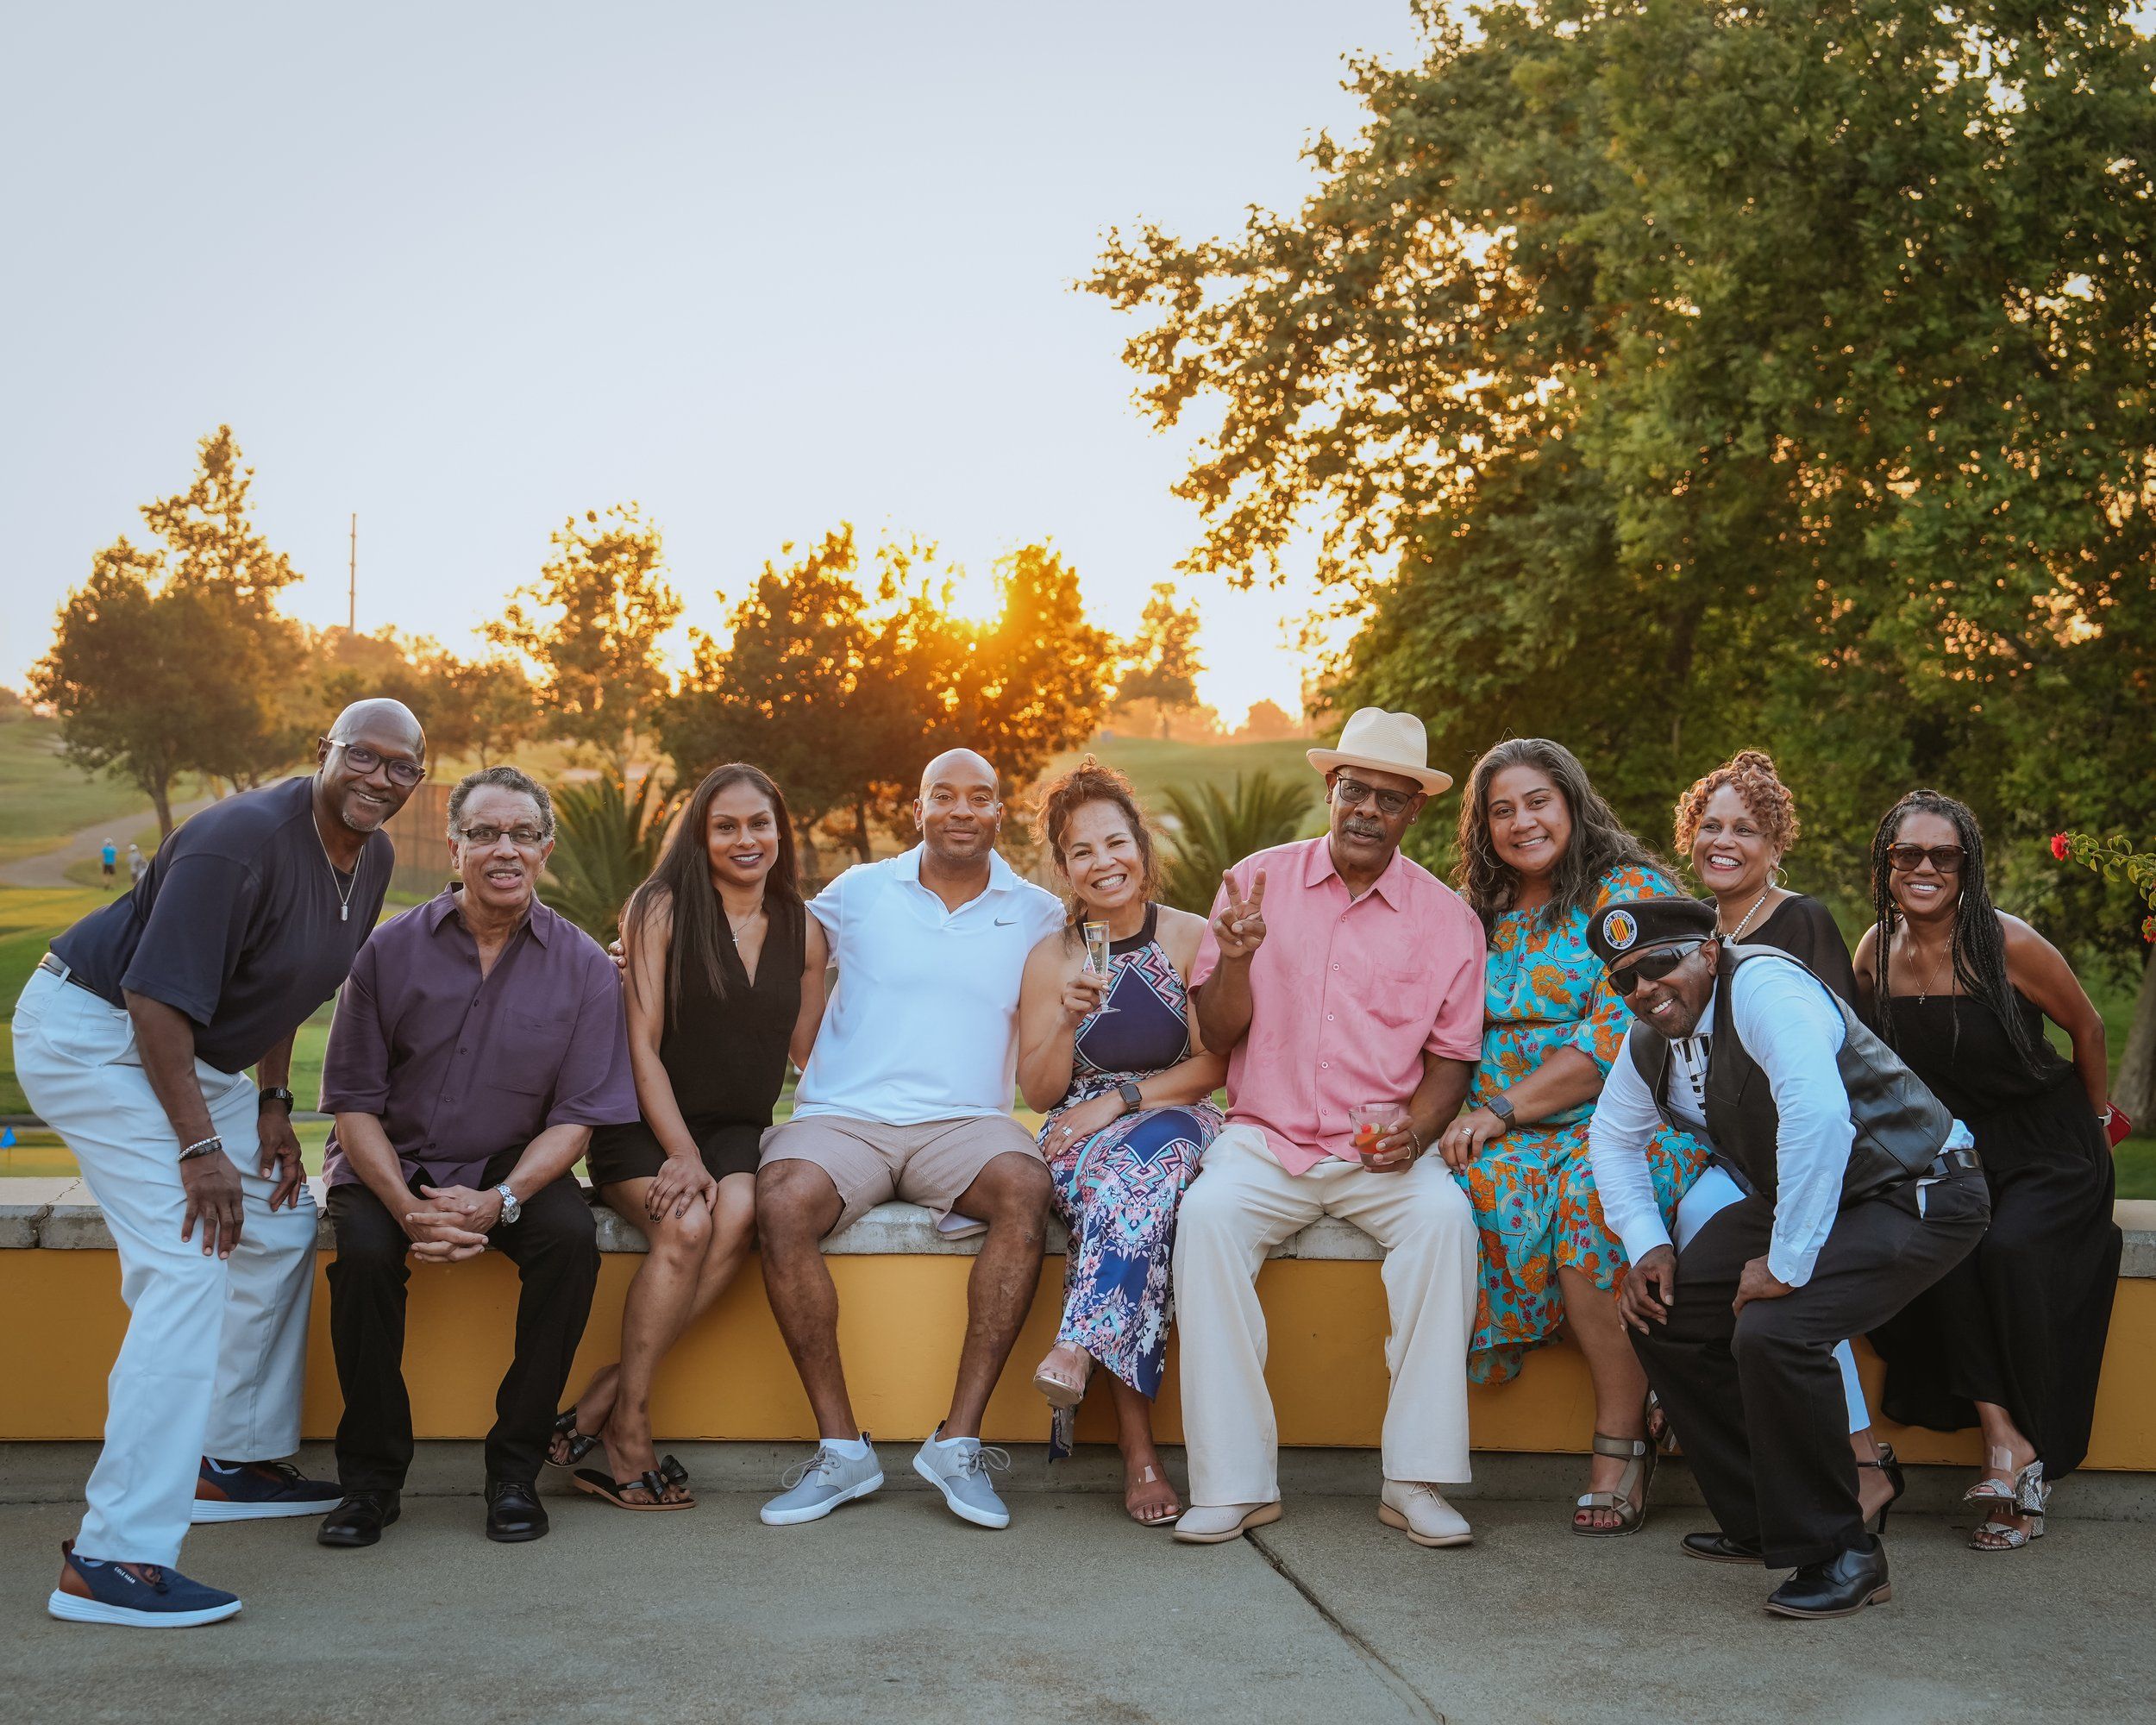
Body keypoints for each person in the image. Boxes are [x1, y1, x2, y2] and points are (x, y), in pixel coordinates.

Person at [17, 699, 423, 1628]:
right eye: (364, 756)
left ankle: (228, 1459)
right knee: (188, 1254)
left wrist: (272, 1105)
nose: (381, 779)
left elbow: (294, 980)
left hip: (187, 1050)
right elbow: (152, 997)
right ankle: (113, 1553)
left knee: (279, 1212)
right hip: (93, 1033)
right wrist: (203, 1148)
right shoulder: (236, 839)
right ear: (323, 751)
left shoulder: (373, 857)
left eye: (404, 768)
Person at [1587, 896, 1989, 1619]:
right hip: (1820, 1195)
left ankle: (1845, 1552)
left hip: (1915, 1187)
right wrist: (1647, 1243)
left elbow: (1818, 1114)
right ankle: (1770, 1522)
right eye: (1626, 980)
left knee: (1778, 1330)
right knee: (1662, 1315)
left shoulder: (1766, 987)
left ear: (1707, 952)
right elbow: (1613, 1140)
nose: (1645, 989)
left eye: (1659, 964)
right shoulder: (1648, 1039)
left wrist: (1784, 1262)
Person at [1172, 707, 1484, 1549]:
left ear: (1411, 809)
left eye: (1388, 797)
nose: (1367, 809)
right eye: (1355, 789)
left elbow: (1452, 1061)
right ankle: (1235, 1484)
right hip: (1264, 1137)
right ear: (1330, 789)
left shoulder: (1446, 918)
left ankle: (1413, 1479)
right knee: (1203, 1221)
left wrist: (1415, 1135)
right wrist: (1234, 958)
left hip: (1378, 1150)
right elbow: (1218, 1034)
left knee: (1444, 1222)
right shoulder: (1254, 881)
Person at [315, 766, 637, 1549]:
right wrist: (407, 1209)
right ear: (455, 847)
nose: (505, 851)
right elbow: (354, 1104)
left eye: (523, 836)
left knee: (568, 1243)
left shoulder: (586, 968)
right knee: (359, 1253)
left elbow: (577, 1121)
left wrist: (501, 1202)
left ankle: (514, 1472)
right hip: (392, 1164)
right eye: (486, 833)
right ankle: (369, 1483)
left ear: (545, 850)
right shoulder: (387, 952)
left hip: (512, 1169)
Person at [754, 749, 1067, 1531]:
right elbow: (772, 943)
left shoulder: (1035, 912)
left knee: (1027, 1191)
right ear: (917, 810)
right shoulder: (860, 891)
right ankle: (841, 1449)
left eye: (980, 798)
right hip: (844, 1116)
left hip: (966, 1122)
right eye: (944, 796)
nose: (962, 810)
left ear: (1000, 812)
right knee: (783, 1199)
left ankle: (957, 1442)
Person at [1433, 737, 1704, 1536]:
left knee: (1590, 1203)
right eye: (1502, 810)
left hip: (1626, 1124)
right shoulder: (1477, 914)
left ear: (1573, 803)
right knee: (1442, 1198)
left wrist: (1503, 1110)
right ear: (1483, 829)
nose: (1522, 822)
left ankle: (1619, 1448)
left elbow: (1618, 1034)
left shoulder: (1625, 896)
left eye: (1538, 801)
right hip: (1505, 1131)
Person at [550, 764, 828, 1509]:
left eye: (760, 824)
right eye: (727, 826)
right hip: (645, 1122)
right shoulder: (662, 906)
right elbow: (641, 1045)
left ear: (780, 833)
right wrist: (678, 1151)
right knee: (689, 1223)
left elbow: (813, 1053)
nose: (747, 839)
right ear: (701, 835)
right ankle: (629, 1430)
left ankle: (599, 1401)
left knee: (739, 1214)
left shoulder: (804, 928)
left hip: (738, 1128)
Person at [1855, 790, 2122, 1551]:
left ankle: (2024, 1457)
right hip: (1958, 1155)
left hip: (2047, 1147)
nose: (1925, 868)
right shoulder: (1876, 951)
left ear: (1967, 866)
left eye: (1945, 855)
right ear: (1887, 863)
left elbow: (2088, 1028)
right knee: (1949, 1250)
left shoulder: (2010, 944)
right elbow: (1863, 1060)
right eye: (1909, 854)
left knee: (2010, 1252)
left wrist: (2100, 1125)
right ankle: (2007, 1444)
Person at [1666, 749, 1898, 1530]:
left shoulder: (1801, 922)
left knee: (1783, 1271)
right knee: (1677, 1233)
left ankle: (1861, 1460)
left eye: (1746, 829)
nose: (1722, 840)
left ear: (1774, 847)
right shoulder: (1692, 929)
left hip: (1804, 1150)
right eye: (1711, 824)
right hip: (1725, 1145)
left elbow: (1832, 1069)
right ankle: (1751, 1451)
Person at [1015, 758, 1225, 1525]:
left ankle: (1078, 1346)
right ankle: (1138, 1456)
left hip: (1172, 1113)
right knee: (1122, 1197)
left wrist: (1124, 1098)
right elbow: (1038, 1094)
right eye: (1081, 852)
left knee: (1150, 1167)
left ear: (1141, 845)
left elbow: (1213, 1065)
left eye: (1115, 843)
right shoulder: (1056, 957)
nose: (1103, 863)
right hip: (1079, 1132)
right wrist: (1069, 1022)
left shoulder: (1187, 936)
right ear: (1064, 868)